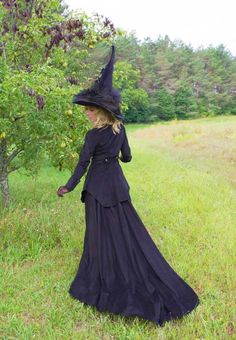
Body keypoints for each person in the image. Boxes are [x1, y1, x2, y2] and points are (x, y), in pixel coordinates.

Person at [57, 45, 200, 327]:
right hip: (118, 189)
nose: (86, 114)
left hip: (98, 191)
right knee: (127, 235)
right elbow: (128, 157)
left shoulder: (91, 136)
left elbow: (82, 165)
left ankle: (105, 285)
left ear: (99, 112)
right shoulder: (120, 130)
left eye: (89, 110)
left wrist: (68, 187)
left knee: (99, 238)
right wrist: (116, 155)